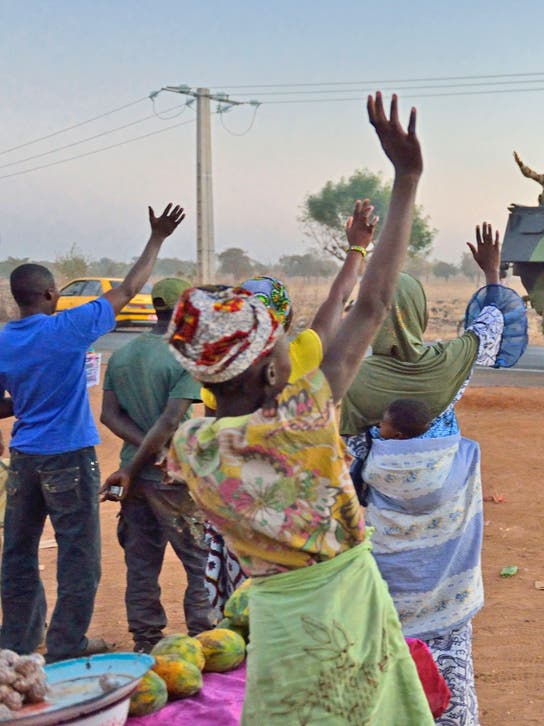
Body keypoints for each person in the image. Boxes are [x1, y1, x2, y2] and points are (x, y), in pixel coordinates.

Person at [165, 92, 434, 724]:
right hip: (348, 607)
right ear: (265, 367)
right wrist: (408, 178)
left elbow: (352, 311)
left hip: (278, 618)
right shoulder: (304, 417)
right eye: (279, 341)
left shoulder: (192, 447)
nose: (294, 344)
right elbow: (370, 307)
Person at [340, 223, 528, 725]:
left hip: (384, 559)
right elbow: (491, 325)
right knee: (451, 662)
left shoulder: (351, 384)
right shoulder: (448, 366)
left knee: (377, 659)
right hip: (448, 559)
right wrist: (491, 270)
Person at [0, 204, 185, 661]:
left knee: (18, 552)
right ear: (49, 293)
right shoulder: (68, 328)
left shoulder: (4, 340)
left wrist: (25, 402)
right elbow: (129, 288)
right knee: (78, 556)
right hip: (68, 457)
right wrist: (157, 239)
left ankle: (19, 641)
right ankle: (68, 644)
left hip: (24, 457)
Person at [196, 200, 379, 611]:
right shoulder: (302, 354)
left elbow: (212, 439)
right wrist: (358, 248)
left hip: (239, 515)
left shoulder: (219, 375)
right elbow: (342, 298)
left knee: (242, 620)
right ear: (287, 321)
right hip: (295, 518)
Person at [98, 277, 213, 653]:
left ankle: (146, 640)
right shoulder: (184, 355)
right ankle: (204, 635)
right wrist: (156, 448)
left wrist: (134, 459)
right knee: (199, 559)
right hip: (171, 476)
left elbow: (109, 415)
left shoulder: (123, 355)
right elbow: (168, 422)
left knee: (142, 562)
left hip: (133, 475)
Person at [361, 396, 485, 726]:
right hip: (447, 599)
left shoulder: (373, 463)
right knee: (451, 675)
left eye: (383, 425)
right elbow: (463, 439)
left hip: (392, 596)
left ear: (398, 435)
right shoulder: (461, 458)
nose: (378, 429)